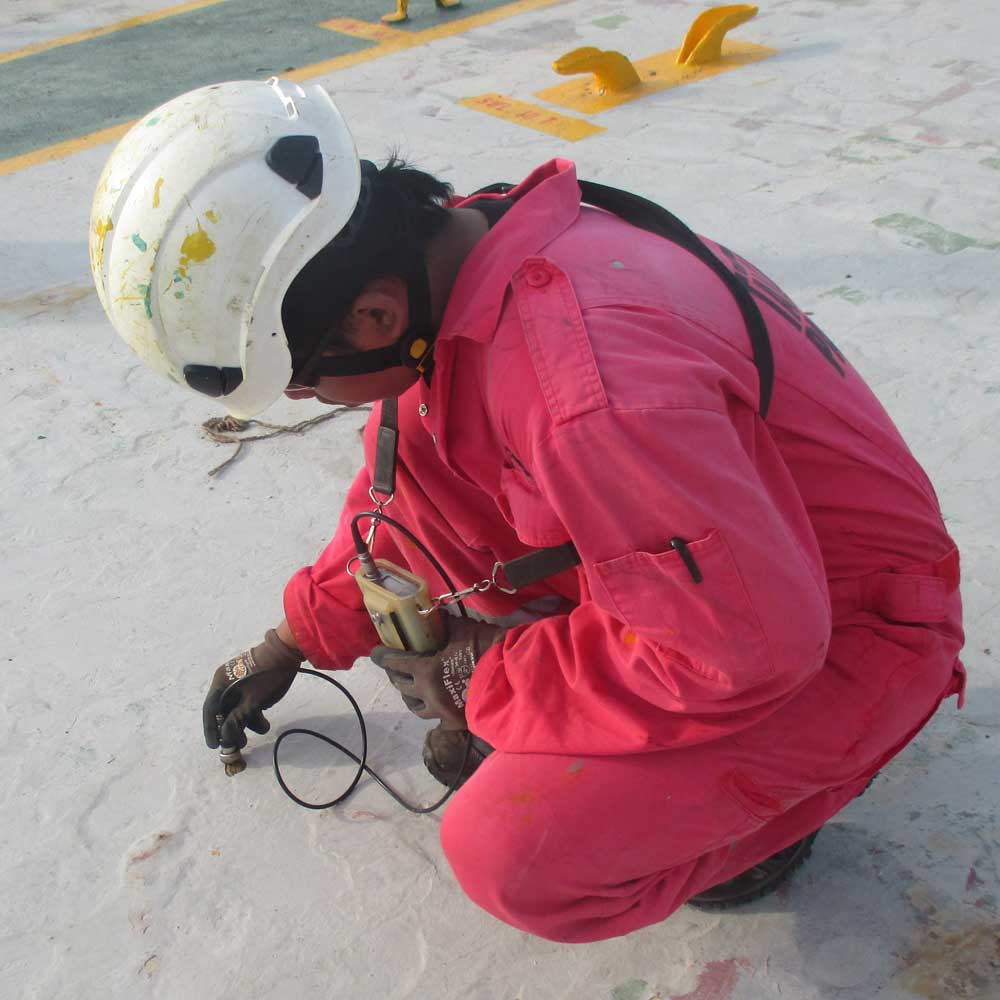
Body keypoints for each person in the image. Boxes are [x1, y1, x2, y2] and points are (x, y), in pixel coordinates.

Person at [90, 78, 965, 943]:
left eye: (305, 378)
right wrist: (298, 636)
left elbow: (737, 651)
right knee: (483, 563)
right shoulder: (470, 260)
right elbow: (418, 496)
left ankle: (751, 832)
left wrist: (485, 678)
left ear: (372, 313)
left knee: (516, 855)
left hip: (850, 630)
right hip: (745, 566)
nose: (315, 394)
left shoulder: (586, 389)